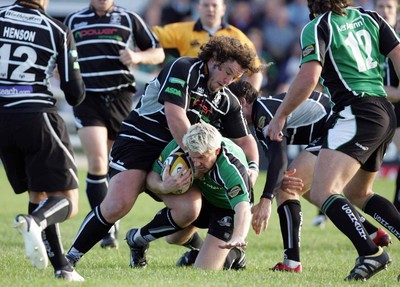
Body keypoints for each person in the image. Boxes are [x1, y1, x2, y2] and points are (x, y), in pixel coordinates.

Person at [65, 35, 261, 268]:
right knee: (118, 204)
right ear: (214, 59)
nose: (229, 80)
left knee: (190, 209)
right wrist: (192, 158)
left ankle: (138, 240)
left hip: (176, 152)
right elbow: (175, 117)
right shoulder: (185, 68)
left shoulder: (226, 100)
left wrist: (252, 169)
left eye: (236, 76)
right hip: (140, 142)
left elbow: (246, 141)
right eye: (227, 72)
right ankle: (69, 259)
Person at [176, 80, 392, 270]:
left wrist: (266, 199)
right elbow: (277, 162)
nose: (228, 113)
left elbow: (279, 159)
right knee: (353, 193)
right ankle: (371, 231)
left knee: (288, 188)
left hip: (339, 127)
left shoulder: (264, 113)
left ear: (242, 102)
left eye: (231, 105)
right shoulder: (262, 115)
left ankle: (292, 263)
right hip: (358, 123)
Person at [267, 0, 400, 281]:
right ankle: (370, 246)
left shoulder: (318, 26)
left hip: (355, 111)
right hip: (384, 110)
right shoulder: (371, 17)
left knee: (323, 192)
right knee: (358, 194)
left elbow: (308, 76)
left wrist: (280, 115)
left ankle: (371, 253)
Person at [64, 0, 165, 249]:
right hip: (88, 98)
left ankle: (109, 215)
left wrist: (137, 56)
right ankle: (106, 230)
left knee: (115, 163)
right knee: (97, 161)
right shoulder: (74, 21)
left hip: (120, 96)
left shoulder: (128, 18)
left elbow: (158, 51)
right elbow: (61, 55)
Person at [0, 0, 86, 282]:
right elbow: (74, 93)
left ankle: (62, 267)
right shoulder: (56, 30)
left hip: (2, 119)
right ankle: (33, 222)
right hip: (36, 116)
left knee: (38, 194)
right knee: (68, 201)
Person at [125, 122, 252, 270]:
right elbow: (151, 178)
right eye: (193, 157)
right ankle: (200, 250)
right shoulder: (180, 146)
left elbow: (242, 207)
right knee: (173, 238)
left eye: (202, 157)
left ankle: (235, 254)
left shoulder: (231, 166)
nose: (197, 163)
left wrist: (238, 235)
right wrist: (164, 186)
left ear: (216, 151)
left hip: (226, 208)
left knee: (205, 269)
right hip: (203, 199)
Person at [152, 0, 263, 91]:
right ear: (198, 7)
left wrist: (247, 100)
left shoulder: (239, 37)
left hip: (221, 97)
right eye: (206, 5)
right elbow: (151, 35)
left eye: (214, 5)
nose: (210, 9)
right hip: (187, 88)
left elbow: (255, 73)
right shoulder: (181, 30)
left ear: (223, 9)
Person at [374, 0, 400, 212]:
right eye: (381, 6)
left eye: (389, 7)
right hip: (374, 108)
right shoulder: (368, 38)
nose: (385, 11)